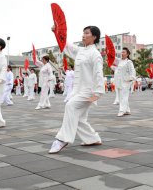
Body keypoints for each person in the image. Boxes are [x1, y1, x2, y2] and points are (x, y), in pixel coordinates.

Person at [49, 25, 104, 154]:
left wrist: (98, 92)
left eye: (86, 33)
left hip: (88, 91)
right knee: (78, 118)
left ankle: (62, 139)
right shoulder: (80, 50)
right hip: (77, 90)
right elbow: (66, 46)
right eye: (83, 33)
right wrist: (56, 32)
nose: (83, 35)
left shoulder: (95, 54)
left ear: (94, 37)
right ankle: (92, 138)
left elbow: (98, 74)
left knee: (70, 106)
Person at [113, 47, 136, 116]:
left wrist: (131, 78)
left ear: (127, 54)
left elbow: (133, 71)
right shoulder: (119, 61)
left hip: (126, 81)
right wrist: (108, 53)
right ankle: (127, 110)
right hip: (119, 81)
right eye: (121, 52)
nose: (122, 53)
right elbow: (112, 59)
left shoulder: (129, 62)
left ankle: (122, 110)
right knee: (121, 96)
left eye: (123, 52)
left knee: (124, 96)